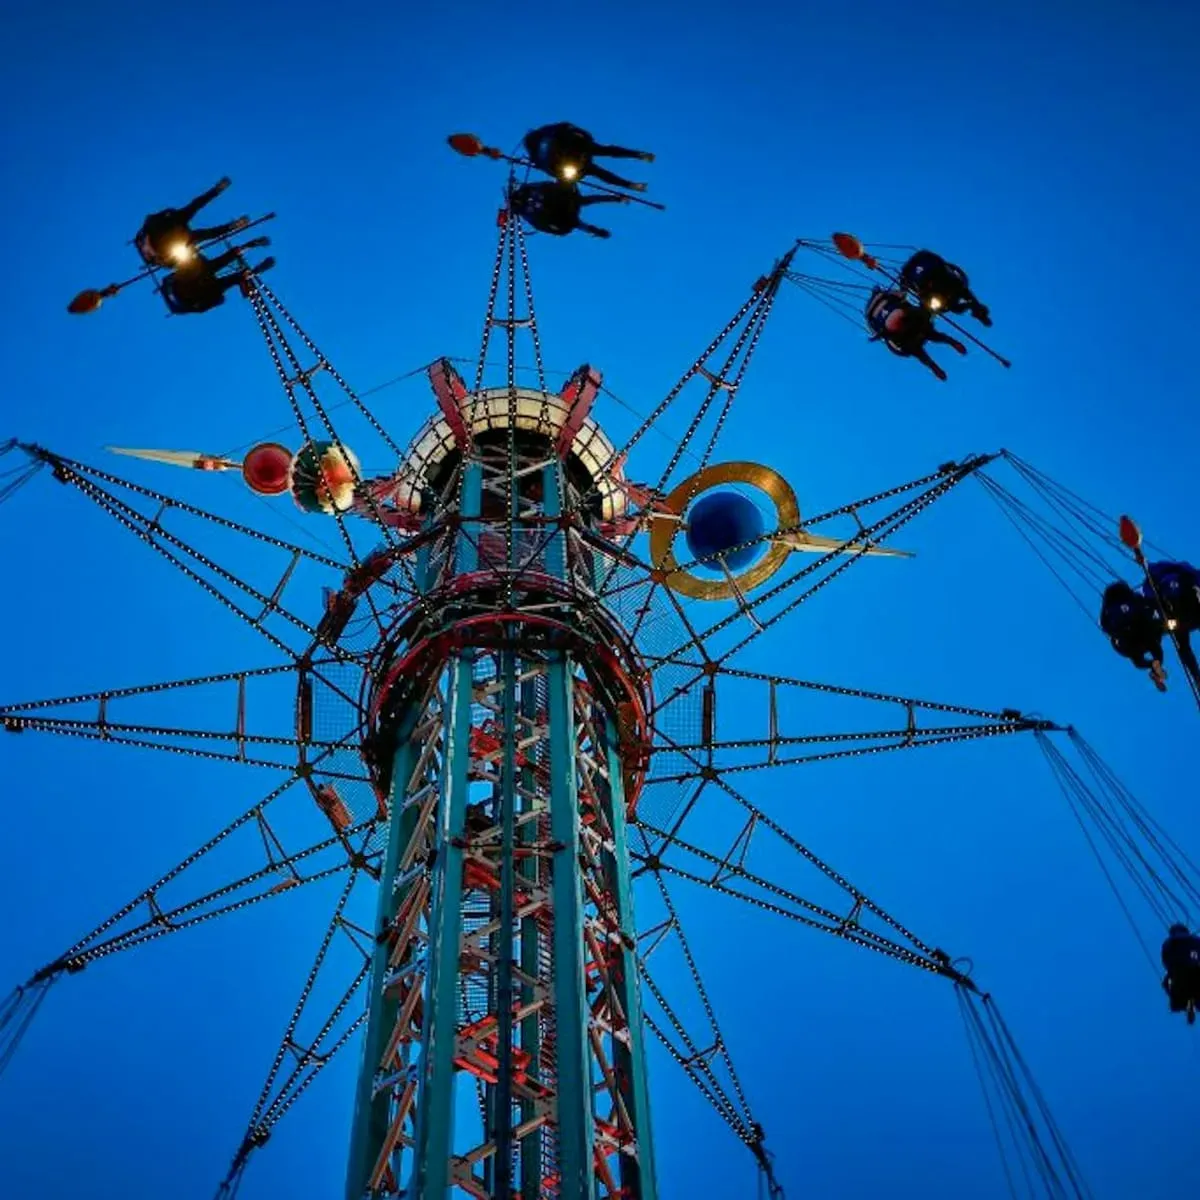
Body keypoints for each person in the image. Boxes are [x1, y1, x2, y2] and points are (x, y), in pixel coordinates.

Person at [135, 177, 249, 268]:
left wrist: (166, 214)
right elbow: (175, 263)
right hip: (178, 239)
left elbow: (150, 220)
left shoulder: (147, 237)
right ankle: (233, 225)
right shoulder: (160, 257)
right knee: (206, 233)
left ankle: (216, 190)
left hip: (172, 227)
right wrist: (189, 254)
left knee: (194, 207)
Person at [864, 288, 967, 381]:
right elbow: (903, 294)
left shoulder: (869, 313)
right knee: (930, 333)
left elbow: (874, 330)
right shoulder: (887, 294)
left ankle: (932, 366)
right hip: (909, 317)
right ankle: (952, 342)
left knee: (917, 351)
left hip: (898, 334)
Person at [522, 122, 654, 192]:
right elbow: (545, 168)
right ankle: (630, 185)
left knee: (603, 150)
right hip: (567, 164)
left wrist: (580, 135)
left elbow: (565, 126)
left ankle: (637, 155)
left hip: (575, 147)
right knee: (598, 172)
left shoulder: (545, 133)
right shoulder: (537, 155)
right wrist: (563, 176)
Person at [160, 240, 274, 315]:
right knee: (227, 273)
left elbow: (181, 270)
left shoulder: (176, 286)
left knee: (223, 268)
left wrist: (192, 256)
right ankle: (251, 264)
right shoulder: (188, 301)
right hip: (204, 289)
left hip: (198, 281)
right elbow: (203, 306)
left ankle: (250, 257)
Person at [1099, 580, 1167, 690]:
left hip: (1129, 637)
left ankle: (1153, 666)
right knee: (1155, 651)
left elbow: (1104, 624)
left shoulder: (1110, 608)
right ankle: (1154, 667)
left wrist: (1114, 636)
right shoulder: (1133, 599)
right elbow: (1149, 604)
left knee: (1139, 660)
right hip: (1141, 632)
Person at [897, 250, 991, 326]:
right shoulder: (914, 276)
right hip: (934, 290)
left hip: (945, 284)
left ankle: (978, 312)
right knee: (951, 307)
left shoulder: (955, 286)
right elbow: (907, 289)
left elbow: (970, 299)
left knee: (960, 302)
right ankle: (915, 324)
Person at [509, 181, 629, 239]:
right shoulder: (527, 212)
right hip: (561, 212)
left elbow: (545, 185)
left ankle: (617, 199)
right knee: (579, 216)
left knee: (585, 202)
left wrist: (565, 183)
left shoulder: (528, 190)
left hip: (563, 201)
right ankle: (617, 200)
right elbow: (540, 224)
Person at [1143, 560, 1200, 680]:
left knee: (1183, 645)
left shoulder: (1155, 580)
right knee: (1183, 644)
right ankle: (1197, 677)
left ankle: (1197, 677)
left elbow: (1150, 599)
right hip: (1186, 614)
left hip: (1177, 618)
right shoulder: (1181, 572)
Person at [1161, 923, 1200, 1023]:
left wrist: (1170, 969)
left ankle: (1182, 1003)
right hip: (1194, 970)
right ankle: (1192, 1003)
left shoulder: (1169, 943)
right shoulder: (1195, 940)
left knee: (1167, 985)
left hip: (1177, 972)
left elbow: (1165, 959)